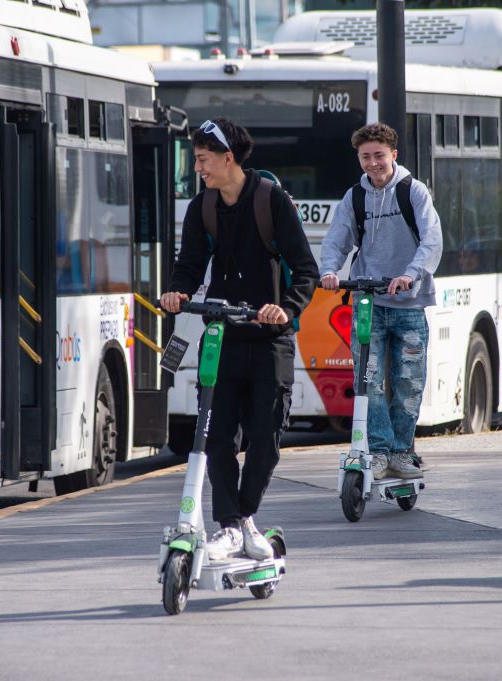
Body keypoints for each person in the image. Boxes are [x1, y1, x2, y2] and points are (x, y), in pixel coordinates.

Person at [160, 117, 318, 560]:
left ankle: (245, 516)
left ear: (228, 158)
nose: (199, 169)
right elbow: (189, 264)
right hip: (222, 337)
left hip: (270, 340)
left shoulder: (272, 202)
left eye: (204, 160)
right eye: (197, 161)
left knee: (265, 442)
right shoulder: (202, 207)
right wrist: (178, 292)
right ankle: (231, 526)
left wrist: (285, 307)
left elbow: (304, 269)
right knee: (217, 438)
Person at [319, 122, 443, 480]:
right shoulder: (354, 197)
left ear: (393, 155)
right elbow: (337, 238)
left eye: (378, 156)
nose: (372, 163)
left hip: (410, 303)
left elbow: (432, 240)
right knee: (367, 382)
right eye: (365, 157)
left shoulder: (413, 191)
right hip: (368, 303)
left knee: (408, 384)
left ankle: (403, 452)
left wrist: (411, 274)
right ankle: (379, 451)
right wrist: (329, 270)